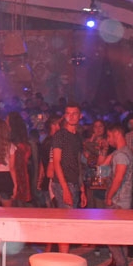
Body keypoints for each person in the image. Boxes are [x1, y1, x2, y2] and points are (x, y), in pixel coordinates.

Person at [102, 123, 133, 266]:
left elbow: (118, 177)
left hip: (118, 202)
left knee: (113, 237)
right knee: (119, 237)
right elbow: (102, 169)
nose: (108, 140)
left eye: (109, 136)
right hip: (123, 201)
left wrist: (109, 196)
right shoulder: (122, 153)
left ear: (116, 134)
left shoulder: (121, 155)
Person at [51, 103, 86, 253]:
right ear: (64, 116)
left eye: (74, 113)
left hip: (74, 183)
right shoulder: (60, 135)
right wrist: (65, 189)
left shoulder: (77, 137)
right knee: (66, 223)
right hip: (62, 183)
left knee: (70, 222)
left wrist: (82, 188)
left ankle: (64, 256)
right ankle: (64, 257)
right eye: (68, 113)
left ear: (80, 116)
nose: (71, 116)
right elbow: (56, 162)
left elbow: (78, 163)